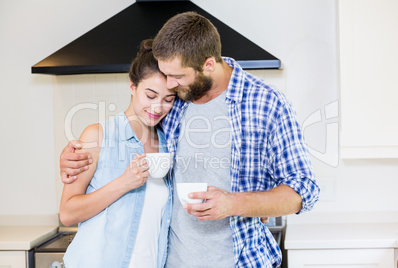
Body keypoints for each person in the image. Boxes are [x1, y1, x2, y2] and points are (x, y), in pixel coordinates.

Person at [60, 12, 320, 268]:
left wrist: (235, 203)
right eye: (165, 76)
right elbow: (131, 127)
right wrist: (73, 157)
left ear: (207, 65)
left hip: (241, 261)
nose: (169, 85)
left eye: (177, 77)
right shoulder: (175, 104)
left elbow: (303, 191)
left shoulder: (267, 104)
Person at [59, 39, 176, 268]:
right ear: (132, 86)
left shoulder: (167, 143)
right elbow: (68, 213)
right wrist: (123, 183)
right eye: (150, 96)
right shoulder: (97, 135)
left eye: (168, 100)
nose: (158, 107)